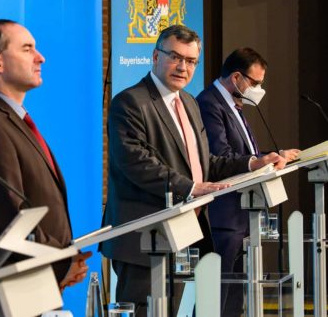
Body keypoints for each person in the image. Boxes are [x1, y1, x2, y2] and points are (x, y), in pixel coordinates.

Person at [99, 25, 286, 317]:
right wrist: (190, 187)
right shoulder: (130, 102)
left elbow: (205, 163)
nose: (183, 67)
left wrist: (254, 162)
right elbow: (136, 163)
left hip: (184, 232)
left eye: (191, 61)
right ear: (155, 56)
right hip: (144, 238)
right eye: (175, 57)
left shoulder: (188, 101)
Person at [0, 19, 91, 314]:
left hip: (35, 287)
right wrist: (62, 261)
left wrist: (64, 261)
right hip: (8, 295)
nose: (40, 57)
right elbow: (10, 221)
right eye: (27, 49)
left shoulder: (11, 120)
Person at [196, 47, 299, 316]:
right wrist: (260, 160)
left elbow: (244, 154)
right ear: (236, 77)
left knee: (233, 297)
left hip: (241, 216)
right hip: (224, 215)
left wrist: (273, 156)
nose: (259, 89)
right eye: (255, 83)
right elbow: (220, 158)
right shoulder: (210, 103)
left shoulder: (234, 104)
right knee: (216, 296)